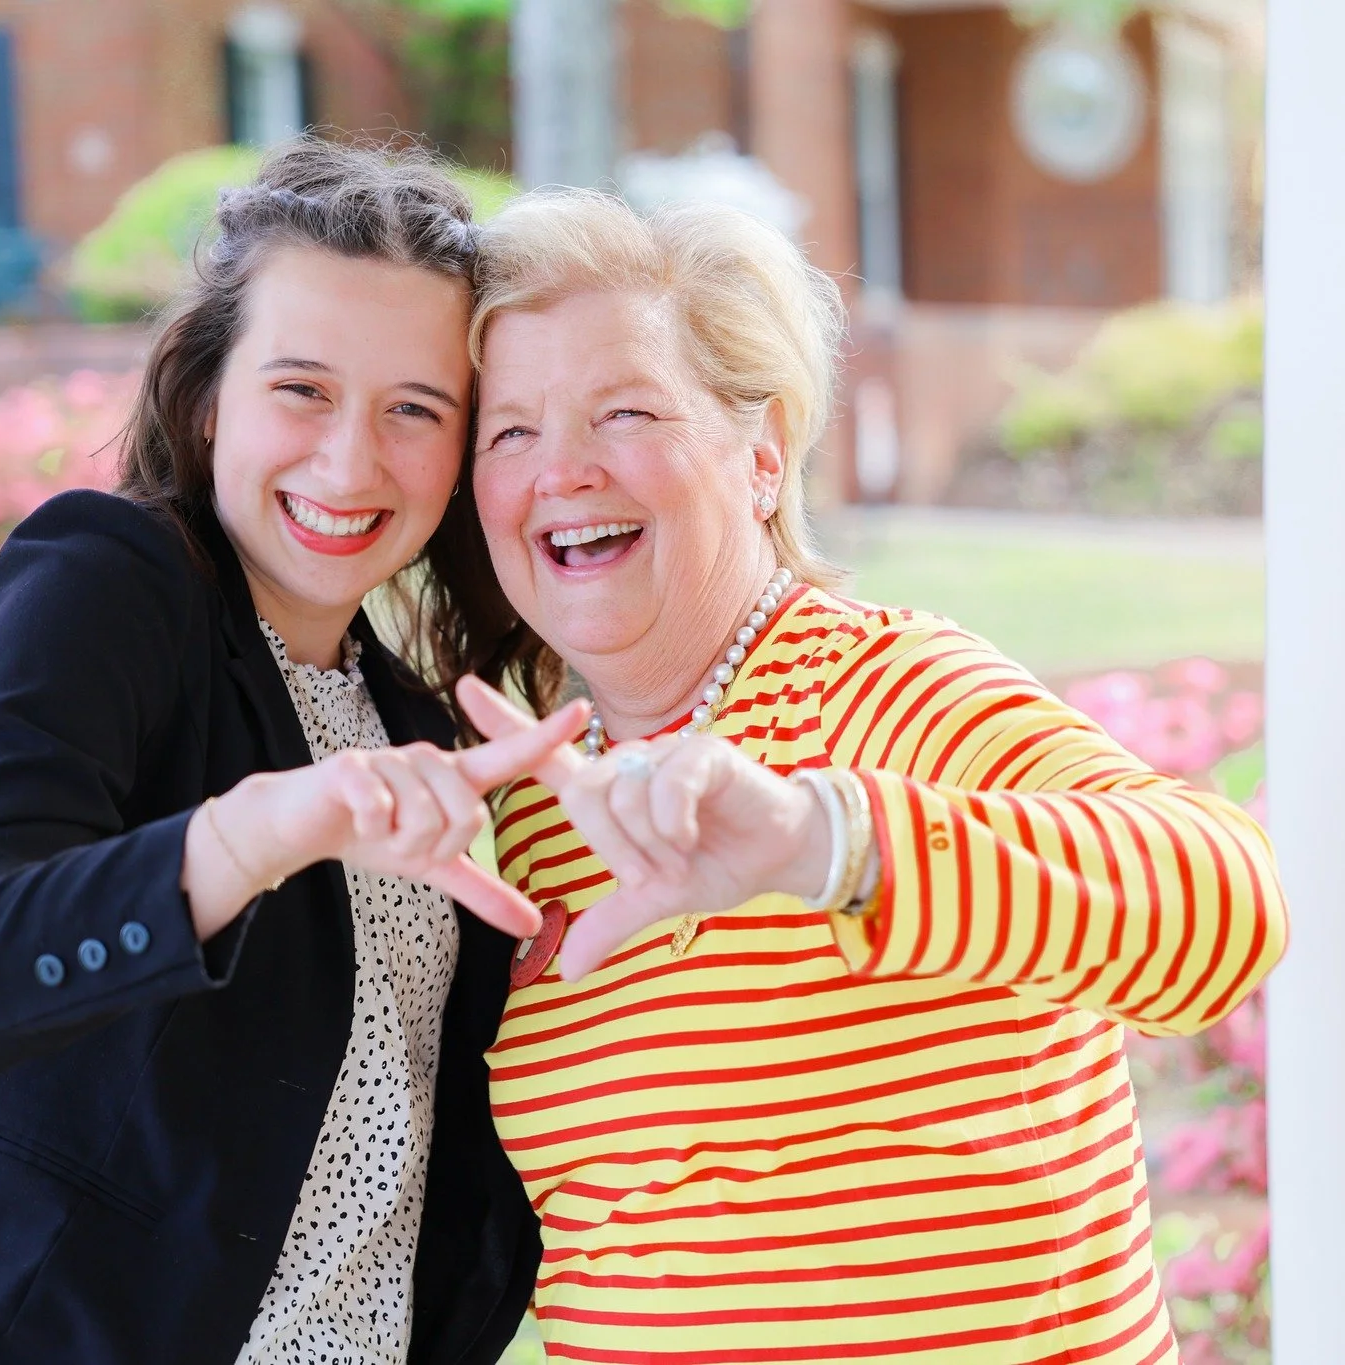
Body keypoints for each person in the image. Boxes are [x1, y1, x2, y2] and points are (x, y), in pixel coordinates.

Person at [0, 140, 584, 1365]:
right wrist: (249, 837)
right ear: (205, 400)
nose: (351, 462)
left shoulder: (420, 727)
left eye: (414, 409)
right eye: (301, 390)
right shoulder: (113, 583)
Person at [450, 190, 1290, 1364]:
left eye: (624, 410)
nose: (562, 471)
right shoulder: (537, 804)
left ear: (759, 454)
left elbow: (1229, 908)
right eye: (510, 432)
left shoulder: (889, 688)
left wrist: (826, 843)